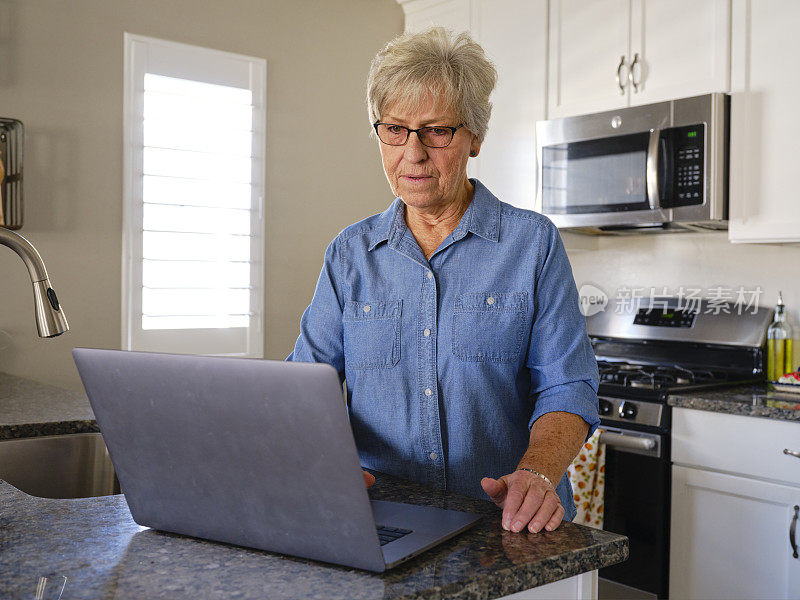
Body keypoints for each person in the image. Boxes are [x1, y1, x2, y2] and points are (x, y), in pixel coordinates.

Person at [287, 27, 599, 534]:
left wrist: (537, 471)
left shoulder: (532, 244)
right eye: (395, 129)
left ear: (474, 138)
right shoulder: (350, 254)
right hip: (382, 520)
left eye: (437, 131)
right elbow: (304, 387)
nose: (413, 152)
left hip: (506, 525)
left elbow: (568, 386)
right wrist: (323, 464)